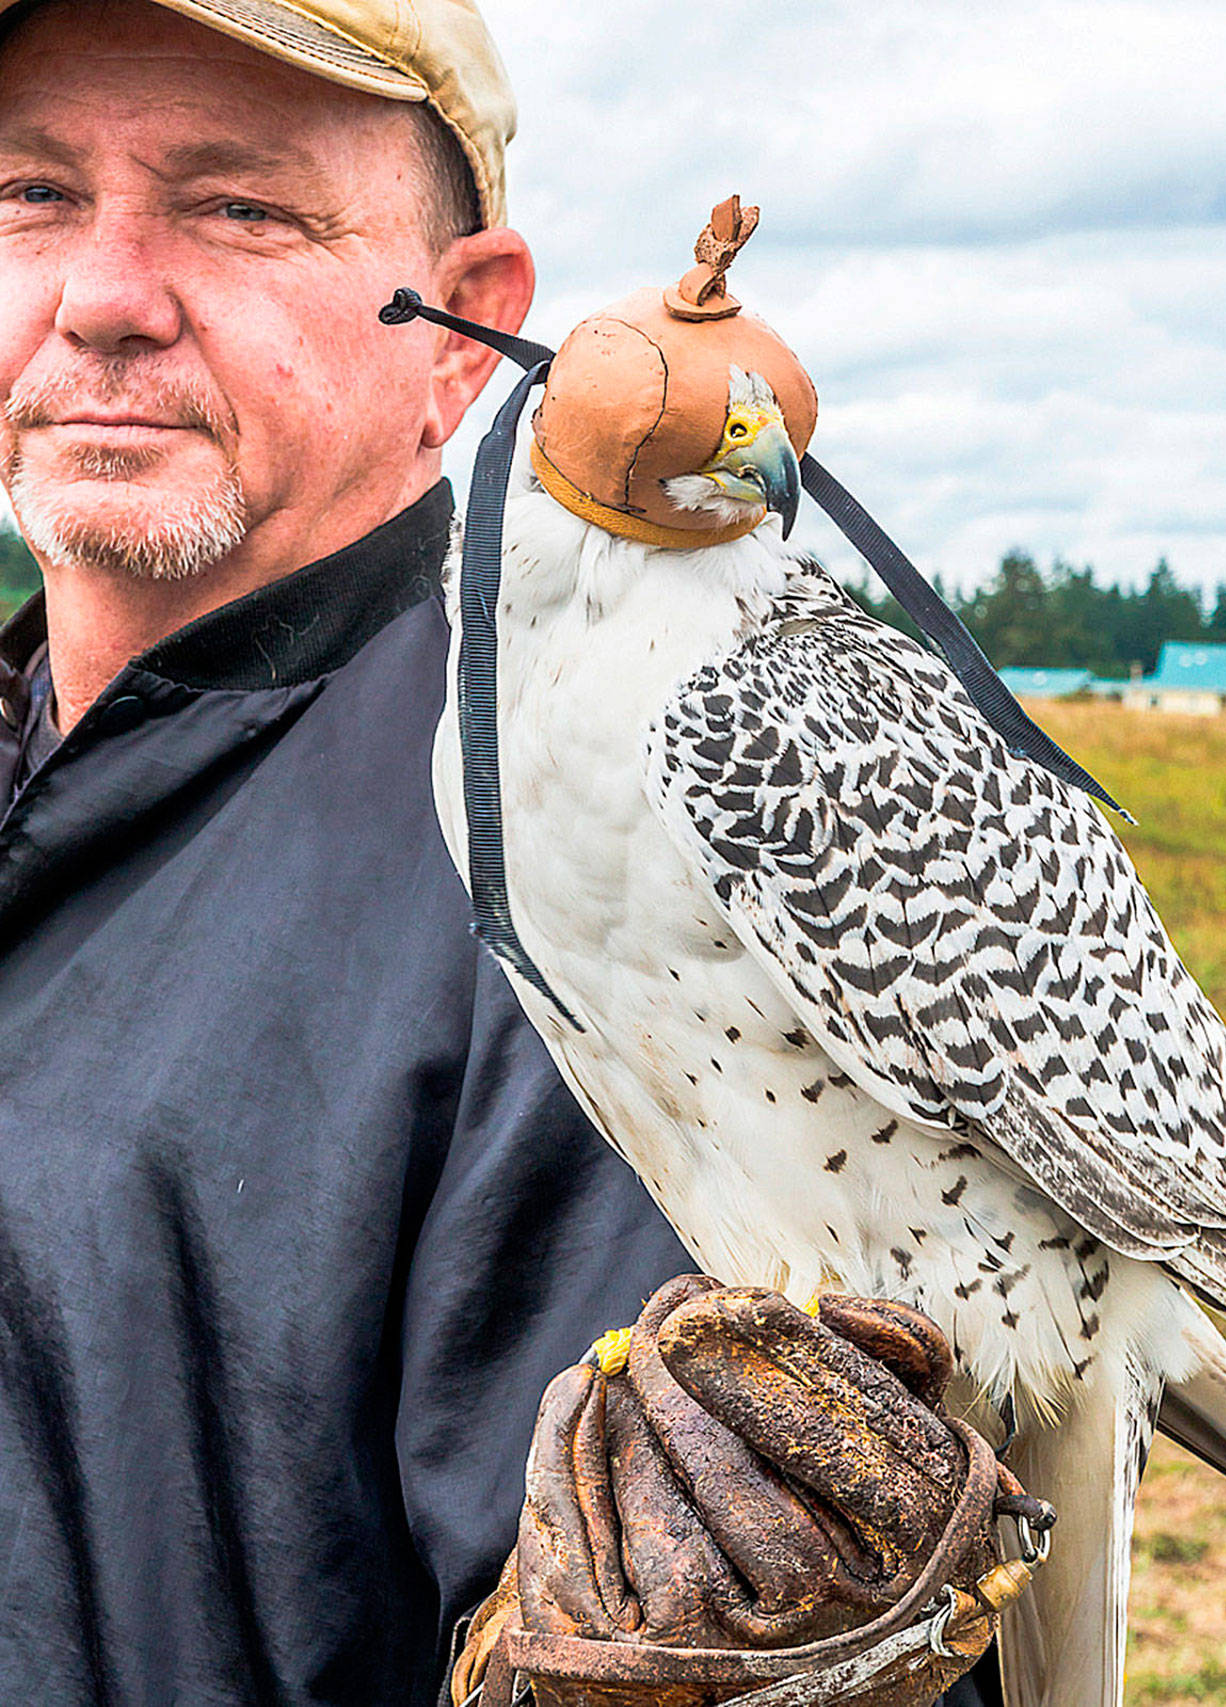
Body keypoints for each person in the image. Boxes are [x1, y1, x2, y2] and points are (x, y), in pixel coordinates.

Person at [0, 0, 998, 1701]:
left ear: (465, 328)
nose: (103, 297)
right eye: (31, 196)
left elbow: (765, 1573)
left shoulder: (597, 865)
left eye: (243, 209)